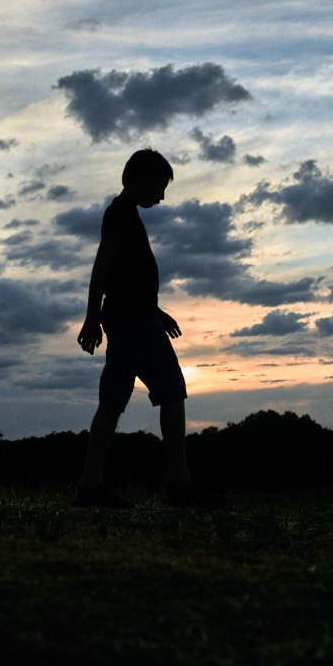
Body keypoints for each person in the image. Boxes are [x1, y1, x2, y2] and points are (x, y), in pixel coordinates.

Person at [74, 148, 199, 507]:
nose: (161, 196)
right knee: (173, 393)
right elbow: (103, 268)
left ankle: (90, 485)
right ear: (137, 180)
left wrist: (156, 311)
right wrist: (91, 316)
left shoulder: (124, 215)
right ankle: (179, 485)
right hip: (132, 322)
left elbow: (124, 277)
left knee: (112, 401)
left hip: (132, 317)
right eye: (158, 188)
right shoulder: (119, 215)